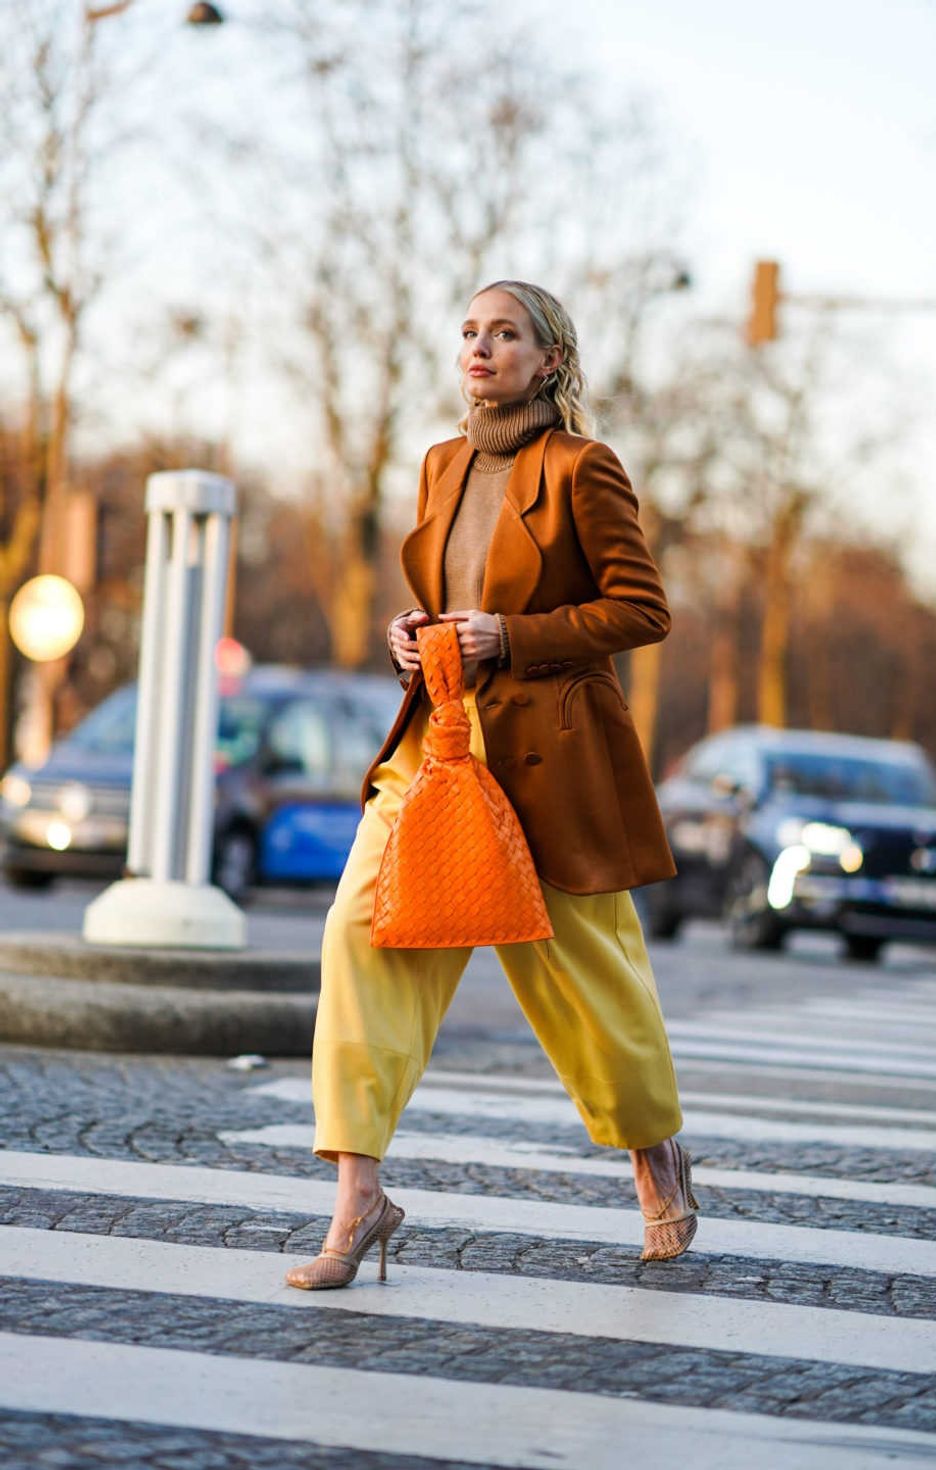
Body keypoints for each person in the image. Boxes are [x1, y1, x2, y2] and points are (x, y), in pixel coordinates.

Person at [285, 279, 697, 1291]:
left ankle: (654, 1154)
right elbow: (448, 596)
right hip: (439, 744)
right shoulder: (438, 464)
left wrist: (508, 637)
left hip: (549, 760)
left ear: (548, 359)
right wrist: (412, 634)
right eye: (468, 331)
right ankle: (357, 1198)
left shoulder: (580, 468)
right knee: (361, 936)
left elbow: (639, 610)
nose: (479, 348)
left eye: (503, 334)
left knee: (587, 981)